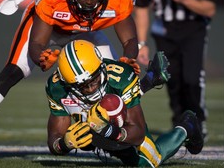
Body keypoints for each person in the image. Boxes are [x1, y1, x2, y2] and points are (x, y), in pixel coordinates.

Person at [0, 0, 168, 157]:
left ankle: (118, 123)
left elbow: (130, 41)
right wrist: (40, 56)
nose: (90, 4)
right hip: (51, 30)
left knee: (112, 82)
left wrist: (128, 58)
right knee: (13, 71)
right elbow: (37, 43)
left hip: (86, 33)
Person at [46, 39, 204, 167]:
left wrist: (109, 131)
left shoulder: (120, 78)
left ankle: (187, 126)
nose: (91, 88)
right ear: (67, 83)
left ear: (102, 66)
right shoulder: (57, 88)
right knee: (85, 138)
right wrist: (64, 144)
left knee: (148, 162)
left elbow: (138, 133)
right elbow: (54, 138)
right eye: (82, 85)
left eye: (93, 79)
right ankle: (149, 80)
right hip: (92, 130)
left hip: (119, 126)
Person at [134, 0, 216, 139]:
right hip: (164, 33)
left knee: (192, 79)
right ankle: (180, 122)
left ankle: (197, 119)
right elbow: (141, 7)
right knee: (172, 80)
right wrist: (142, 43)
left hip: (193, 30)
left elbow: (210, 9)